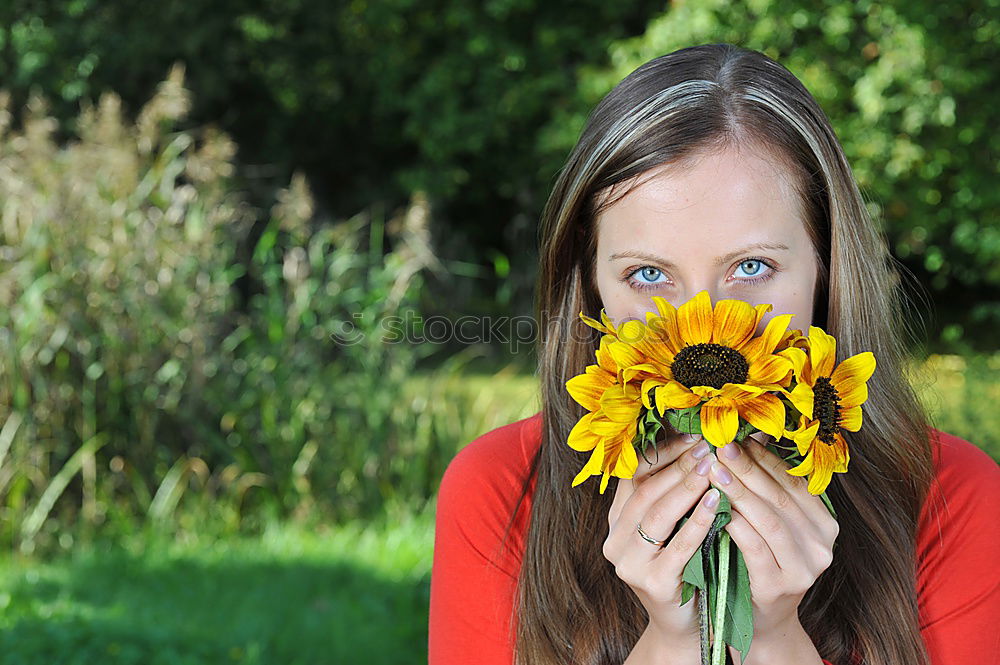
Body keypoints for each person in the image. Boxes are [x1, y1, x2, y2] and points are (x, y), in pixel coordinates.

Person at [428, 43, 1000, 665]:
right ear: (590, 283)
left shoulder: (954, 501)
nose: (703, 326)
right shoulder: (501, 493)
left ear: (827, 271)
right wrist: (671, 640)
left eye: (752, 267)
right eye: (648, 275)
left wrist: (776, 638)